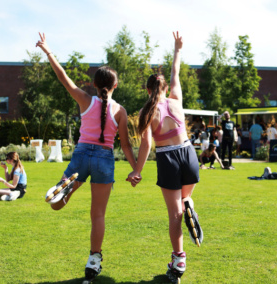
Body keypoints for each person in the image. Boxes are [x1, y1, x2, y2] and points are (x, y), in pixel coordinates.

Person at [36, 33, 137, 283]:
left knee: (57, 203)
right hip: (104, 159)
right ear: (115, 86)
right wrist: (136, 169)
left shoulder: (85, 100)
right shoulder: (120, 111)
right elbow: (125, 144)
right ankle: (94, 259)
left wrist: (48, 51)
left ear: (94, 84)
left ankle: (63, 190)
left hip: (81, 155)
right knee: (98, 215)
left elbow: (64, 78)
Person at [126, 32, 203, 284]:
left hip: (168, 158)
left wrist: (137, 171)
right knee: (185, 199)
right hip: (189, 152)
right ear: (165, 88)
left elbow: (147, 144)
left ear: (147, 90)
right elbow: (176, 73)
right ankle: (189, 201)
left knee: (174, 215)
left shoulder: (146, 111)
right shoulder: (176, 99)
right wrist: (177, 48)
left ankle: (179, 260)